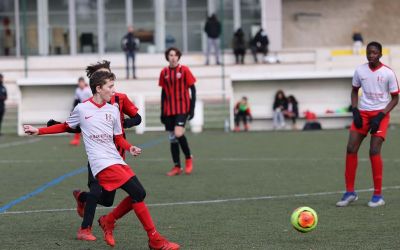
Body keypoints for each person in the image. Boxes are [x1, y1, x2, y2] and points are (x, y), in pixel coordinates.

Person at [24, 70, 180, 249]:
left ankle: (109, 220)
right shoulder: (82, 108)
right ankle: (154, 239)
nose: (114, 91)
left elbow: (118, 137)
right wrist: (39, 130)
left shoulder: (112, 110)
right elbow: (66, 126)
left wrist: (130, 147)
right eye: (110, 87)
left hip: (116, 159)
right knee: (137, 193)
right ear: (98, 89)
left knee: (137, 194)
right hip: (101, 163)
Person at [47, 60, 143, 246]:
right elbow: (79, 126)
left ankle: (81, 197)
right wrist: (58, 125)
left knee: (107, 200)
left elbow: (137, 118)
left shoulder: (120, 98)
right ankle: (85, 228)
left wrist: (124, 124)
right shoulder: (86, 105)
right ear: (97, 84)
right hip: (97, 157)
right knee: (97, 190)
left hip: (117, 157)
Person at [336, 41, 399, 208]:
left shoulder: (388, 73)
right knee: (351, 148)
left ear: (380, 54)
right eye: (368, 52)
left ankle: (378, 196)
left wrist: (380, 116)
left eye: (374, 52)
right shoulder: (360, 70)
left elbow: (395, 98)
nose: (371, 55)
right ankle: (350, 192)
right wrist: (355, 110)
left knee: (374, 150)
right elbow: (354, 91)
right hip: (363, 113)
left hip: (380, 114)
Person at [159, 47, 196, 176]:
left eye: (175, 55)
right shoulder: (164, 72)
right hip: (169, 109)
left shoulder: (184, 70)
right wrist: (162, 111)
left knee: (178, 133)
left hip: (182, 107)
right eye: (170, 55)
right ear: (167, 57)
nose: (173, 57)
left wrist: (192, 108)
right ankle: (177, 166)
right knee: (172, 138)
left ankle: (188, 158)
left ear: (178, 57)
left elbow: (193, 90)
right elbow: (163, 93)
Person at [70, 76, 92, 146]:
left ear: (84, 83)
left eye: (82, 83)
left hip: (89, 109)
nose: (80, 84)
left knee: (89, 125)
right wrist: (73, 109)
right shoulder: (77, 90)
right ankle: (76, 139)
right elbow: (76, 100)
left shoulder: (88, 90)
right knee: (78, 123)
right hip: (82, 109)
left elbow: (93, 99)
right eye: (79, 83)